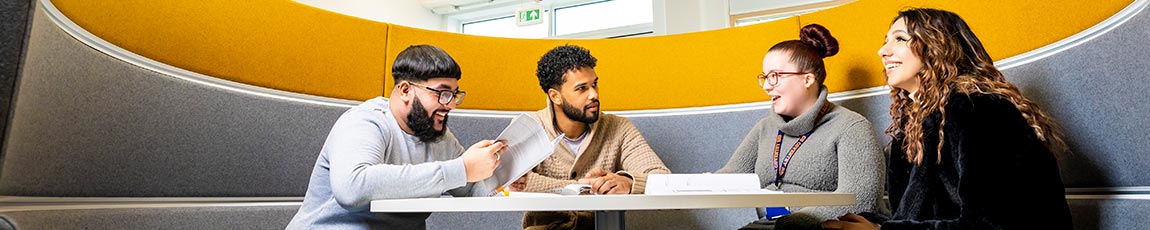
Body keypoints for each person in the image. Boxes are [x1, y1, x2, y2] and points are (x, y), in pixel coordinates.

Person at [823, 8, 1072, 230]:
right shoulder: (911, 126)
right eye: (885, 41)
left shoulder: (981, 109)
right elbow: (914, 217)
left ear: (937, 47)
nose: (882, 51)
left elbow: (994, 222)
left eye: (899, 39)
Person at [286, 45, 508, 229]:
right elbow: (352, 187)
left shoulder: (437, 135)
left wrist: (501, 182)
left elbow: (468, 187)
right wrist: (462, 169)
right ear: (404, 90)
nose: (450, 104)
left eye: (454, 94)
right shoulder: (365, 121)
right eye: (442, 93)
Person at [715, 24, 887, 230]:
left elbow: (861, 198)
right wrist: (686, 185)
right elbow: (730, 178)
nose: (767, 85)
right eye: (764, 77)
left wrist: (799, 221)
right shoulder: (765, 128)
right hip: (770, 225)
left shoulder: (852, 127)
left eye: (775, 75)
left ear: (807, 79)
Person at [509, 45, 672, 229]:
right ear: (555, 96)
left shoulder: (618, 128)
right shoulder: (527, 127)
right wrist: (586, 188)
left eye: (594, 84)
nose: (594, 94)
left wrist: (629, 182)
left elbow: (661, 178)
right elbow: (512, 185)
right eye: (581, 89)